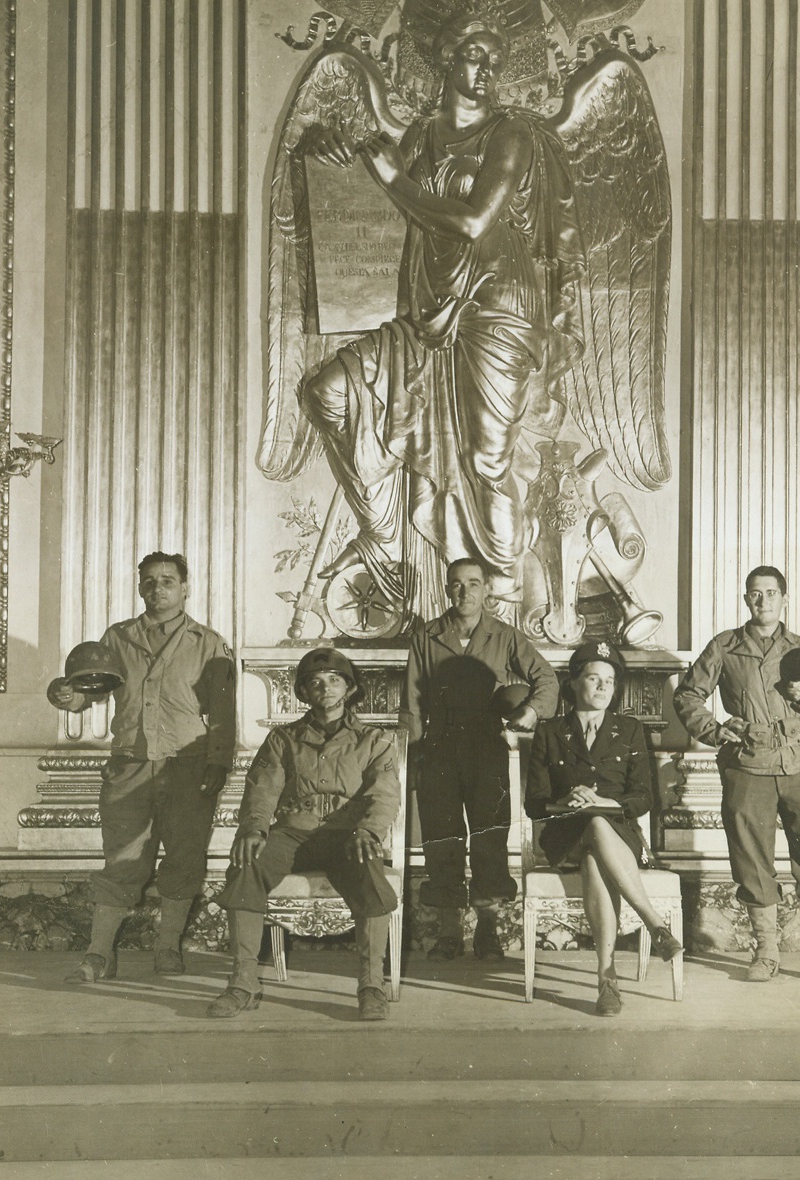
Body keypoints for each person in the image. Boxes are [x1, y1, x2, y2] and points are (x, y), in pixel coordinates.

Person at [301, 11, 582, 605]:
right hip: (427, 308)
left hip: (497, 300)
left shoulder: (511, 133)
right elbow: (375, 191)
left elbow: (474, 221)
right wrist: (324, 148)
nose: (488, 71)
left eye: (496, 62)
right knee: (327, 389)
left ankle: (502, 593)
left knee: (485, 456)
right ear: (448, 60)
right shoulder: (422, 136)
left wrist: (391, 181)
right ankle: (383, 536)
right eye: (476, 56)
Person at [673, 565, 800, 987]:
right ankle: (766, 951)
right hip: (748, 763)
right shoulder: (724, 647)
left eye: (772, 593)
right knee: (751, 858)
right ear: (746, 599)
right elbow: (688, 695)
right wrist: (712, 729)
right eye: (755, 594)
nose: (763, 601)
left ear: (784, 598)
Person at [46, 552, 236, 982]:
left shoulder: (208, 643)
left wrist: (218, 763)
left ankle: (167, 947)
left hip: (188, 767)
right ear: (139, 587)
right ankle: (99, 954)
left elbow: (224, 710)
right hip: (129, 767)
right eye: (149, 581)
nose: (158, 588)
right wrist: (64, 695)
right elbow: (87, 690)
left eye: (168, 581)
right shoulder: (117, 638)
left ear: (185, 588)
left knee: (184, 858)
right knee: (123, 861)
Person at [208, 647, 400, 1022]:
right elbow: (262, 788)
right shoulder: (284, 738)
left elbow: (384, 794)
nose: (324, 688)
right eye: (315, 682)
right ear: (304, 692)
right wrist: (253, 829)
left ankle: (371, 985)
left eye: (334, 680)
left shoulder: (374, 740)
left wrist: (369, 832)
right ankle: (243, 983)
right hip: (295, 833)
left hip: (348, 836)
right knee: (248, 866)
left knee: (370, 877)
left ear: (348, 688)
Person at [400, 556, 559, 960]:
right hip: (438, 744)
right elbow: (413, 700)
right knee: (441, 836)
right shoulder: (427, 635)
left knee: (490, 835)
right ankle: (450, 930)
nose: (464, 592)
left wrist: (532, 710)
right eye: (456, 584)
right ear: (446, 588)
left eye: (473, 583)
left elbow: (547, 678)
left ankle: (488, 930)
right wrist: (415, 757)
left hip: (487, 745)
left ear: (487, 589)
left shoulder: (505, 635)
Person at [526, 642, 682, 1017]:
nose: (602, 688)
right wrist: (568, 800)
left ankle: (606, 978)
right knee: (592, 827)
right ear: (574, 683)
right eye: (593, 678)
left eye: (609, 681)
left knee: (597, 850)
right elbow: (535, 802)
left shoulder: (630, 730)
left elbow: (645, 798)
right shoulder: (550, 732)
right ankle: (653, 923)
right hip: (565, 834)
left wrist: (605, 804)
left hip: (619, 835)